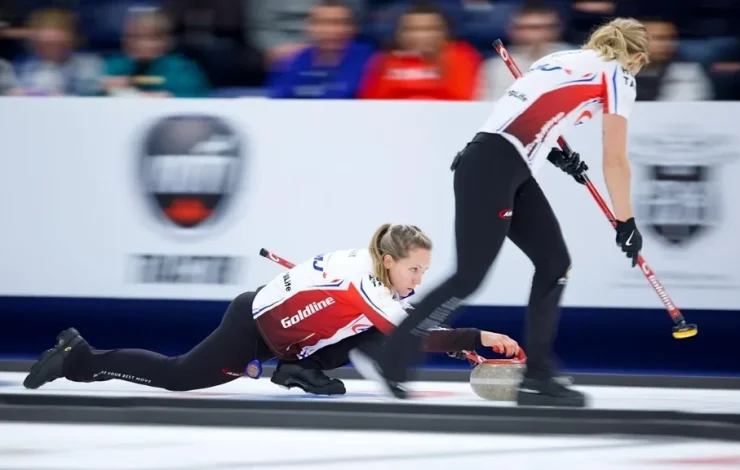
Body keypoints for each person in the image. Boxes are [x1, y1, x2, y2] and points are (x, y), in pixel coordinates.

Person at [349, 18, 651, 408]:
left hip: (499, 162)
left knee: (554, 262)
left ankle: (539, 375)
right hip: (497, 167)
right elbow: (615, 159)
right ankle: (390, 354)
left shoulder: (562, 59)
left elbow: (524, 112)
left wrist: (556, 154)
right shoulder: (620, 75)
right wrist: (625, 221)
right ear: (638, 56)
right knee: (469, 277)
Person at [23, 223, 521, 396]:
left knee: (370, 338)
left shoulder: (370, 267)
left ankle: (296, 369)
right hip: (255, 328)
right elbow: (412, 331)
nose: (420, 280)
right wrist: (473, 339)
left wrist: (455, 345)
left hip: (290, 331)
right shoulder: (367, 284)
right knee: (177, 377)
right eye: (415, 270)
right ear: (390, 261)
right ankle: (79, 359)